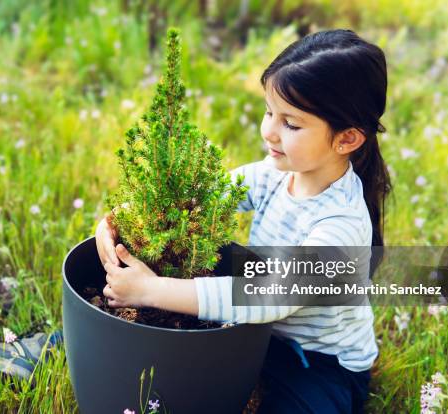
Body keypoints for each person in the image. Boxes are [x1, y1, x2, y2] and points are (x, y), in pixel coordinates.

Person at [97, 29, 392, 413]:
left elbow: (268, 298)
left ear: (347, 139)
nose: (269, 130)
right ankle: (63, 345)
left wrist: (152, 291)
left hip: (316, 362)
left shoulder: (340, 223)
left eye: (291, 123)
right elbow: (198, 199)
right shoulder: (273, 174)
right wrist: (127, 219)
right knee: (151, 359)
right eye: (270, 112)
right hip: (252, 333)